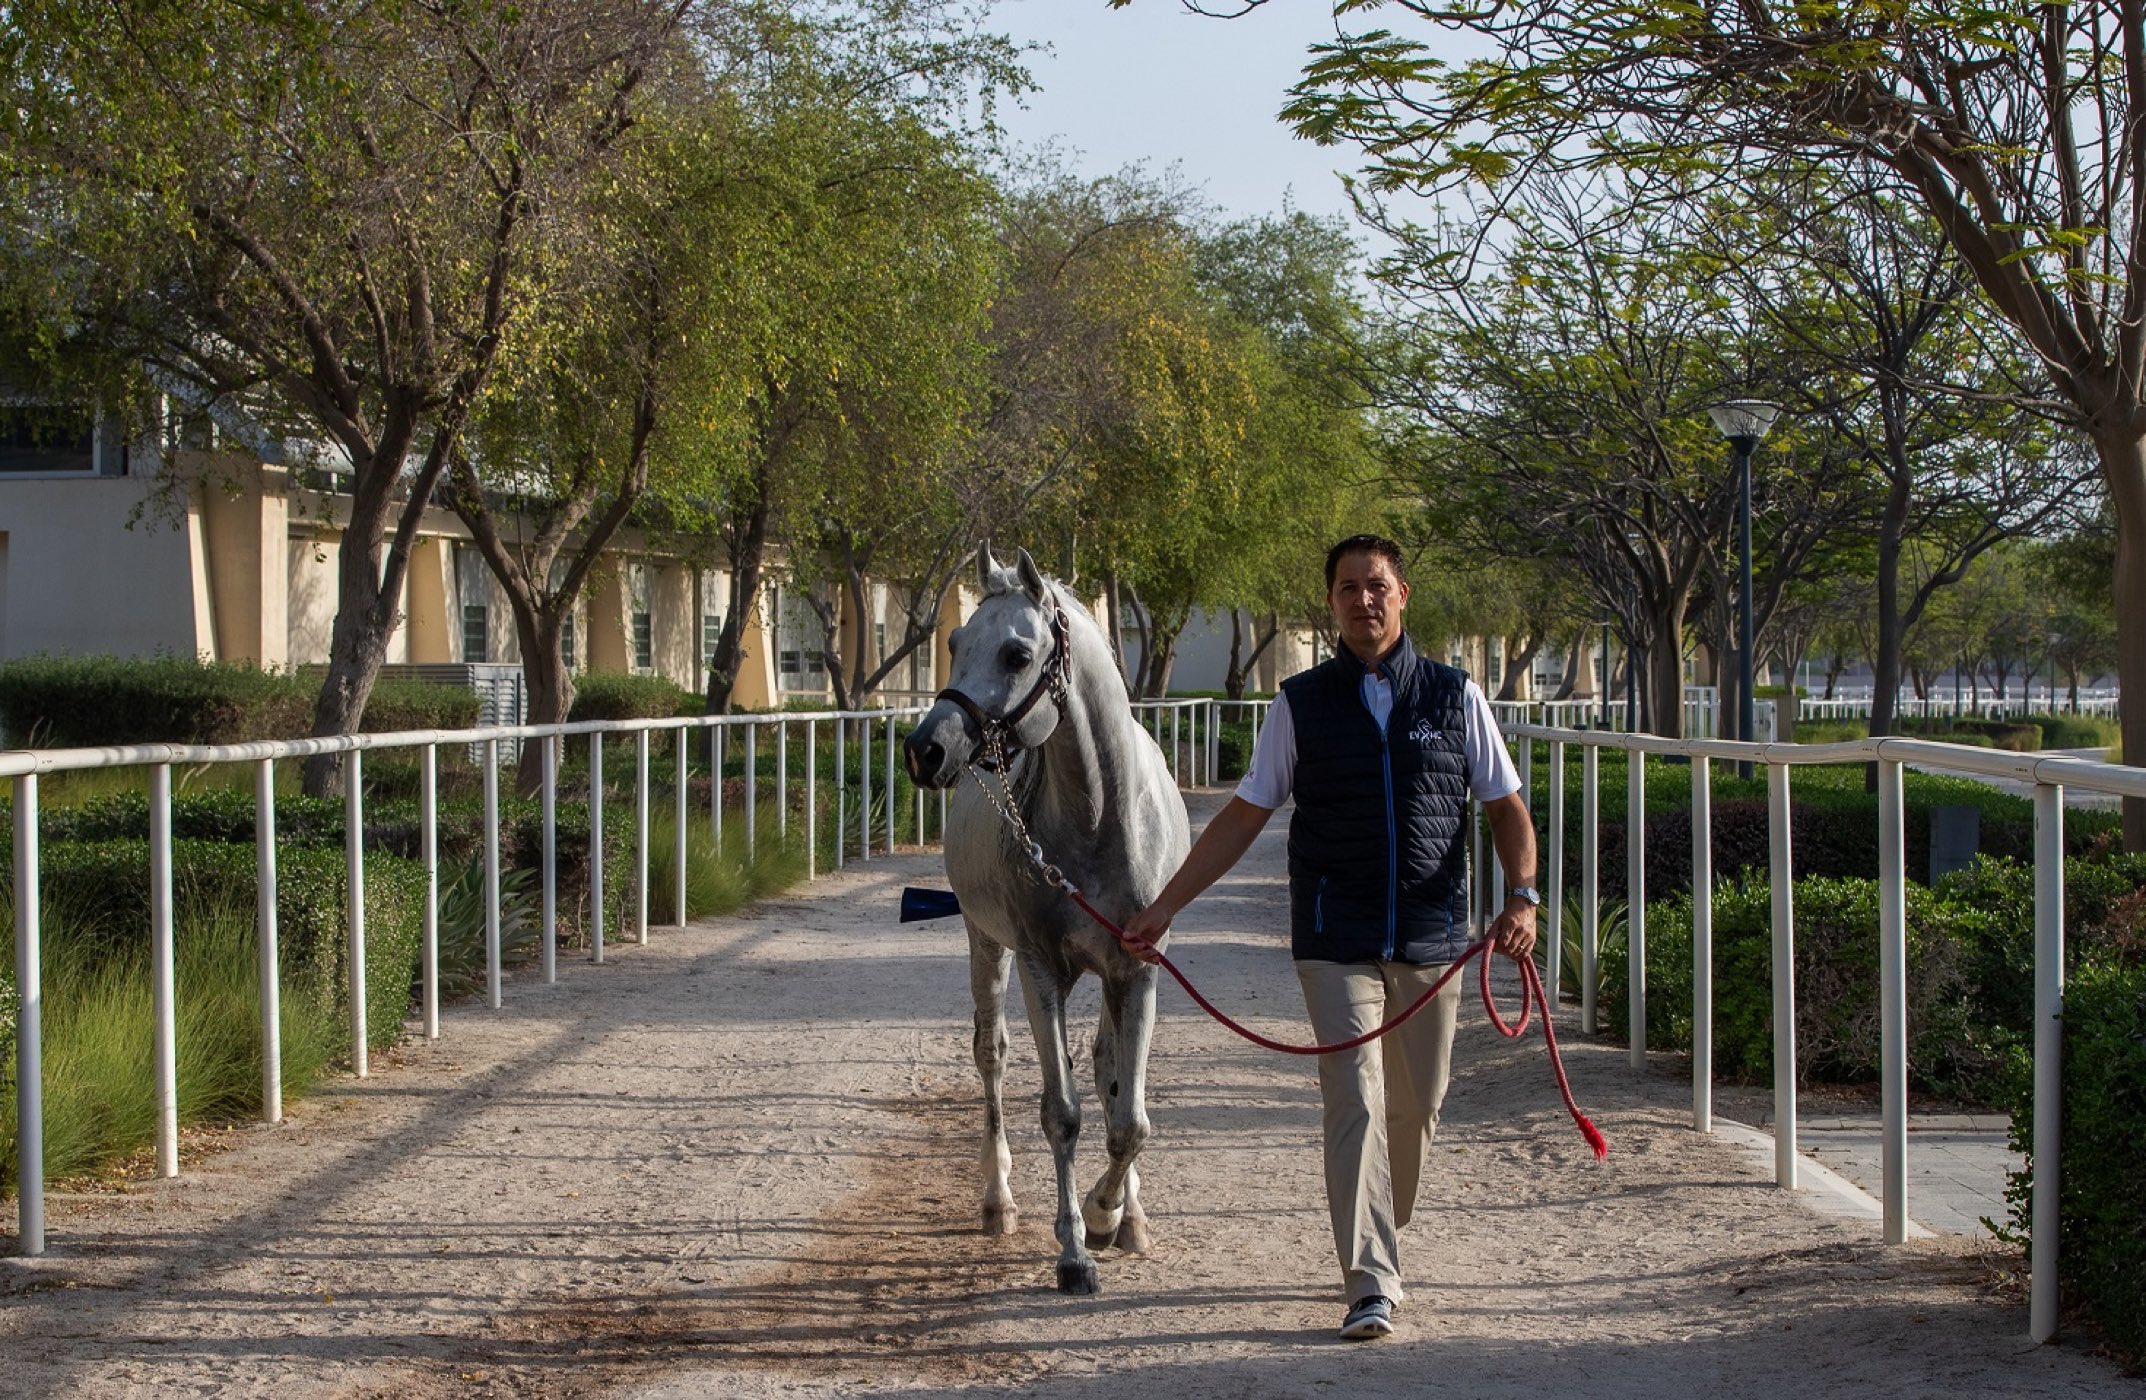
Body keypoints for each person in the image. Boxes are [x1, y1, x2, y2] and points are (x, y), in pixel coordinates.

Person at [1121, 533, 1539, 1342]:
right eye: (1347, 588)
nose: (1362, 600)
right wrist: (1167, 905)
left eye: (1376, 585)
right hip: (1331, 937)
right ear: (1331, 602)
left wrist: (1521, 897)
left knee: (1417, 1112)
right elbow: (1244, 815)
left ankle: (1383, 1224)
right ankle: (1369, 1279)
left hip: (1429, 937)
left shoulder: (1457, 698)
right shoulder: (1300, 703)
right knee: (1353, 1100)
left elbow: (1506, 807)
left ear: (1403, 594)